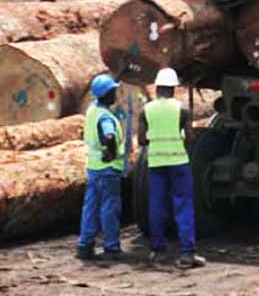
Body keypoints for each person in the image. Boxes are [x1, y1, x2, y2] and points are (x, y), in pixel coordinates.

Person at [138, 67, 206, 269]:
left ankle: (158, 251)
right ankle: (187, 254)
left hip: (156, 163)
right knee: (183, 206)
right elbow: (191, 138)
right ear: (174, 89)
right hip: (178, 163)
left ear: (157, 87)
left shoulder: (146, 111)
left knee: (156, 206)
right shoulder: (182, 110)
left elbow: (142, 140)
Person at [76, 74, 126, 261]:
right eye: (113, 91)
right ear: (106, 94)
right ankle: (111, 246)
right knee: (109, 207)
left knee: (90, 206)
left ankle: (85, 245)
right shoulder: (105, 117)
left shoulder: (92, 109)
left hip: (93, 168)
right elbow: (109, 136)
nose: (115, 95)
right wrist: (111, 152)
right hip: (108, 169)